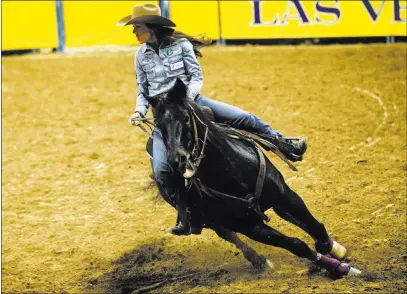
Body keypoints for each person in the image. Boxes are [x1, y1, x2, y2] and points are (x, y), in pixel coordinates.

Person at [117, 4, 307, 236]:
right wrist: (139, 110)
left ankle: (283, 143)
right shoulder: (140, 55)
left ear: (151, 27)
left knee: (244, 117)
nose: (134, 32)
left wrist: (185, 101)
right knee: (162, 171)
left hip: (193, 103)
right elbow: (142, 89)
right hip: (166, 119)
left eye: (137, 27)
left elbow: (196, 76)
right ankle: (187, 214)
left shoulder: (181, 45)